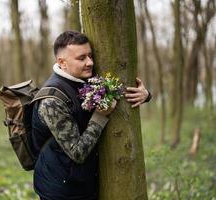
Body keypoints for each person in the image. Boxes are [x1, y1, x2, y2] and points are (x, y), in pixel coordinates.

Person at [31, 30, 151, 200]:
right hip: (61, 190)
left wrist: (145, 95)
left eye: (90, 56)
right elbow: (77, 152)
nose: (90, 62)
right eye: (81, 58)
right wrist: (100, 116)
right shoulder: (52, 101)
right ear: (62, 62)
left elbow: (112, 90)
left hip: (85, 183)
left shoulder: (83, 79)